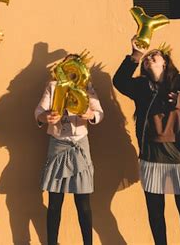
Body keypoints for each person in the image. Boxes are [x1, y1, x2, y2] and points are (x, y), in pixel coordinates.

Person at [113, 37, 180, 245]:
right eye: (146, 59)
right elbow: (120, 81)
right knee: (155, 212)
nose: (149, 59)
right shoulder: (141, 86)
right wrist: (136, 55)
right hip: (152, 156)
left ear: (164, 62)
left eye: (153, 56)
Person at [34, 54, 104, 245]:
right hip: (57, 144)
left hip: (80, 144)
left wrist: (90, 114)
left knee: (83, 204)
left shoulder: (87, 88)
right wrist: (45, 117)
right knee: (55, 203)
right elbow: (39, 112)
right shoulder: (53, 86)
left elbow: (99, 112)